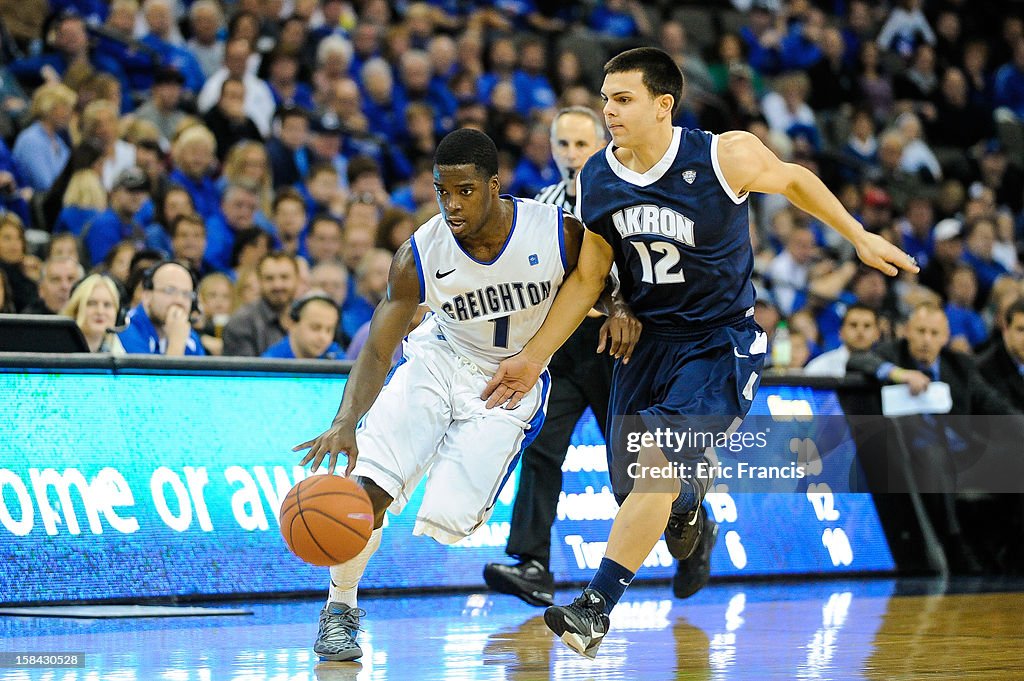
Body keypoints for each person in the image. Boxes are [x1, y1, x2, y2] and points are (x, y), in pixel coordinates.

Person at [482, 47, 917, 659]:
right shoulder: (598, 179)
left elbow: (793, 179)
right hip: (643, 348)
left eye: (623, 99)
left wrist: (858, 235)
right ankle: (693, 514)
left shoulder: (722, 154)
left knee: (655, 460)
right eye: (606, 98)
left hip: (719, 342)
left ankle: (594, 607)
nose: (610, 111)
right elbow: (588, 280)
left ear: (665, 105)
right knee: (637, 491)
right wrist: (532, 357)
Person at [292, 128, 637, 663]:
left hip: (511, 379)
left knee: (453, 521)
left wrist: (618, 308)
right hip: (437, 359)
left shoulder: (554, 232)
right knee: (366, 492)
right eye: (442, 192)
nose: (452, 205)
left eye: (465, 191)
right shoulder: (419, 255)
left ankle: (444, 471)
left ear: (494, 185)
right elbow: (379, 350)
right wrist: (346, 419)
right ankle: (339, 610)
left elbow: (603, 277)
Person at [483, 105, 638, 607]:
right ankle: (533, 564)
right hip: (563, 343)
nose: (572, 154)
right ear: (552, 150)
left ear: (603, 145)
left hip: (620, 346)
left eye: (581, 144)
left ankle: (689, 523)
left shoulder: (630, 196)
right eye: (564, 145)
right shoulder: (541, 206)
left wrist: (625, 306)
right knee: (542, 448)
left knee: (632, 464)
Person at [118, 261, 206, 356]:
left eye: (186, 294)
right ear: (147, 296)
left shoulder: (189, 336)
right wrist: (176, 344)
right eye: (170, 291)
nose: (179, 300)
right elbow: (145, 371)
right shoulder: (125, 329)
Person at [803, 303, 881, 377]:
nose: (860, 331)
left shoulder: (886, 367)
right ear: (841, 332)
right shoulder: (820, 367)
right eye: (853, 325)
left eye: (867, 326)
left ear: (877, 334)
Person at [261, 293, 344, 359]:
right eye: (315, 328)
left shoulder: (334, 354)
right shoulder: (272, 362)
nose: (323, 337)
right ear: (292, 324)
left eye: (329, 330)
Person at [60, 273, 126, 354]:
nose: (100, 311)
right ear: (76, 310)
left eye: (107, 305)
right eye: (92, 303)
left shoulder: (118, 349)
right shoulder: (57, 350)